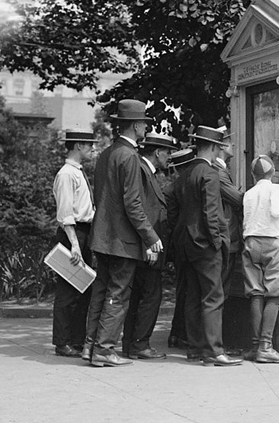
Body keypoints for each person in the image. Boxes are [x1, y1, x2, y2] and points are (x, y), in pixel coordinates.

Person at [84, 99, 163, 367]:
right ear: (136, 125)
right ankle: (104, 351)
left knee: (101, 292)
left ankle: (90, 347)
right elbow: (133, 204)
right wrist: (151, 237)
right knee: (118, 295)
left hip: (102, 236)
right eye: (144, 124)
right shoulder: (130, 157)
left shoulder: (107, 153)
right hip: (122, 240)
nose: (145, 129)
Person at [167, 126, 242, 366]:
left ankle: (196, 348)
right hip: (206, 244)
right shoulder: (209, 173)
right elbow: (212, 212)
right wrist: (217, 240)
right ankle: (214, 350)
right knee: (213, 296)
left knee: (193, 296)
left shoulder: (187, 173)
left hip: (186, 243)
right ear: (212, 147)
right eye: (219, 147)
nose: (219, 152)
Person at [122, 133, 177, 360]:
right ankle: (140, 344)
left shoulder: (147, 172)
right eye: (167, 153)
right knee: (150, 297)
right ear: (157, 152)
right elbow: (141, 211)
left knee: (139, 297)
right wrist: (149, 244)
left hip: (145, 246)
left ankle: (131, 344)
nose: (169, 158)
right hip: (148, 247)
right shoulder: (144, 173)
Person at [241, 155, 279, 363]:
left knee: (255, 293)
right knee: (275, 294)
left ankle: (254, 346)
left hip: (251, 243)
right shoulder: (275, 189)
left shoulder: (249, 193)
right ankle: (266, 346)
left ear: (254, 175)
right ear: (272, 173)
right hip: (272, 243)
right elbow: (276, 211)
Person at [51, 130, 97, 357]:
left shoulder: (77, 172)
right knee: (68, 291)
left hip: (84, 232)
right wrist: (75, 244)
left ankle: (77, 339)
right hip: (74, 233)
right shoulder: (67, 174)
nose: (92, 149)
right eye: (89, 145)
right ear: (79, 145)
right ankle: (62, 341)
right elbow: (65, 212)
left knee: (83, 288)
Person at [164, 148, 196, 349]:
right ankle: (181, 334)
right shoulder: (183, 188)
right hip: (185, 244)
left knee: (182, 290)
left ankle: (176, 333)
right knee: (188, 291)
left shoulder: (171, 188)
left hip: (177, 245)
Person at [213, 127, 244, 299]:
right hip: (227, 237)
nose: (233, 144)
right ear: (222, 146)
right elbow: (238, 199)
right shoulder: (219, 172)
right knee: (221, 290)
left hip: (226, 237)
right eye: (229, 141)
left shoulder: (220, 170)